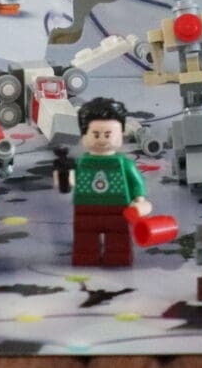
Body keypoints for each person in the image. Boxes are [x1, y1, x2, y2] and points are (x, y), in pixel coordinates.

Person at [60, 97, 152, 266]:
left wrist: (140, 201)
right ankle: (87, 255)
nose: (102, 140)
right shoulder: (81, 163)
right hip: (85, 209)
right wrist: (62, 175)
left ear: (121, 134)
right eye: (96, 134)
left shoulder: (125, 164)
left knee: (118, 240)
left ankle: (117, 256)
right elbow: (70, 183)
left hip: (119, 210)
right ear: (84, 136)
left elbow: (136, 183)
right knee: (85, 240)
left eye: (108, 134)